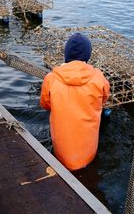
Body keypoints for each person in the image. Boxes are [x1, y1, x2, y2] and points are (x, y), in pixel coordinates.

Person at [40, 32, 110, 171]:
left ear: (67, 54)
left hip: (61, 154)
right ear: (87, 55)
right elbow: (104, 99)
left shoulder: (51, 78)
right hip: (89, 154)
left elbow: (45, 104)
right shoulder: (99, 78)